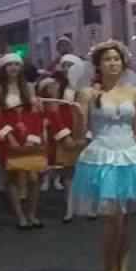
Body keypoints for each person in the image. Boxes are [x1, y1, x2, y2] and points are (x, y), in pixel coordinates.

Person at [70, 40, 136, 271]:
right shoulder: (88, 94)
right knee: (113, 218)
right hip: (103, 155)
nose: (112, 63)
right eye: (107, 59)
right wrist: (79, 116)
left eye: (116, 59)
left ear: (123, 63)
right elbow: (79, 136)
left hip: (129, 157)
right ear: (98, 65)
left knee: (127, 220)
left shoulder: (133, 92)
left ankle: (124, 269)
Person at [0, 53, 46, 230]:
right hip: (9, 136)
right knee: (13, 176)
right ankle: (20, 216)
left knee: (34, 177)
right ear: (3, 68)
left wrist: (32, 136)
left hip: (29, 134)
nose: (13, 68)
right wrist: (9, 137)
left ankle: (32, 213)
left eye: (16, 64)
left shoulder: (29, 87)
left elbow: (35, 114)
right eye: (9, 65)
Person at [37, 74, 85, 223]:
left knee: (86, 174)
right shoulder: (54, 99)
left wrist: (84, 135)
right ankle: (70, 209)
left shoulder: (78, 95)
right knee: (69, 174)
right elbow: (54, 117)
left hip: (81, 137)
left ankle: (87, 206)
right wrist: (65, 136)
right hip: (65, 139)